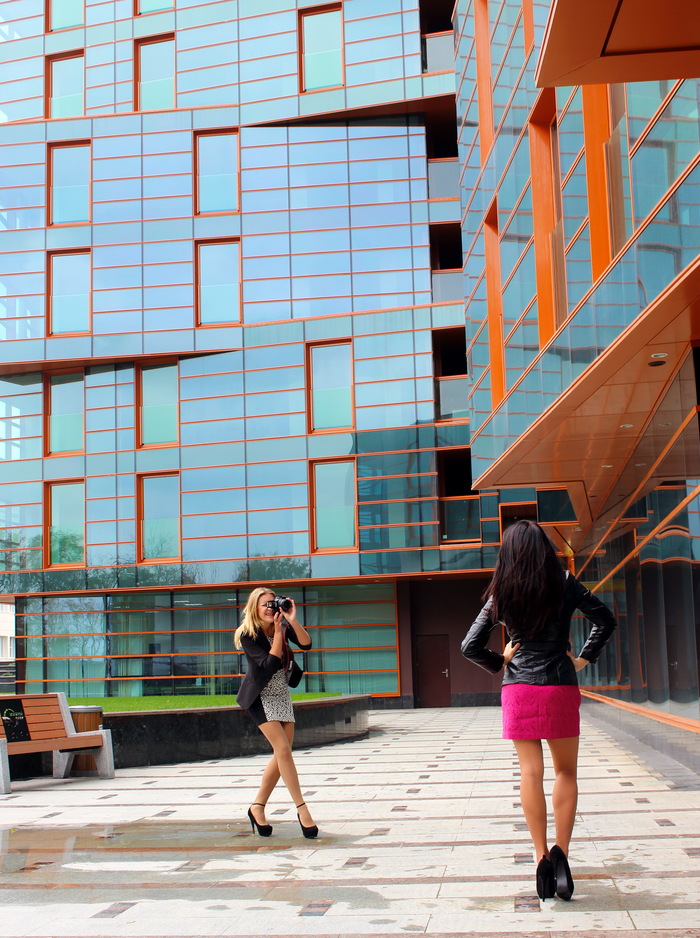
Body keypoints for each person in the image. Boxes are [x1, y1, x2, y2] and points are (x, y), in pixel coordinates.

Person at [460, 520, 616, 901]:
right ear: (545, 548)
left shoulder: (503, 590)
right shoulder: (564, 581)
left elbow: (469, 645)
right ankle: (562, 853)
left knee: (530, 772)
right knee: (566, 772)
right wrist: (583, 658)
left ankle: (541, 858)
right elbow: (605, 619)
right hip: (560, 684)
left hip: (520, 689)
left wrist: (500, 661)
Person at [235, 586, 318, 839]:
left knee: (282, 754)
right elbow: (269, 664)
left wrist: (291, 620)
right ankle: (302, 809)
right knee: (283, 750)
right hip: (259, 697)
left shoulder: (282, 623)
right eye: (265, 605)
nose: (271, 609)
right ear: (255, 608)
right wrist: (279, 632)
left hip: (281, 694)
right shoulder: (248, 634)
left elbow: (307, 644)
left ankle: (257, 807)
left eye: (273, 603)